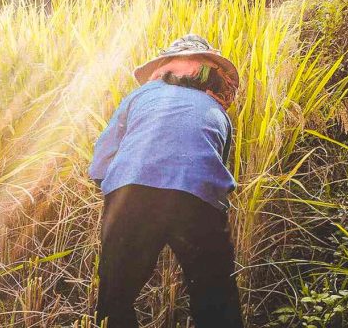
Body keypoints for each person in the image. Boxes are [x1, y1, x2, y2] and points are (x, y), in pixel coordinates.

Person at [89, 34, 244, 328]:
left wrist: (113, 199)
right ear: (207, 75)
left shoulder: (138, 97)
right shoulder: (219, 113)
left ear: (165, 69)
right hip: (197, 199)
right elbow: (215, 173)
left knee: (116, 297)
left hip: (130, 193)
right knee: (216, 299)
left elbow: (102, 160)